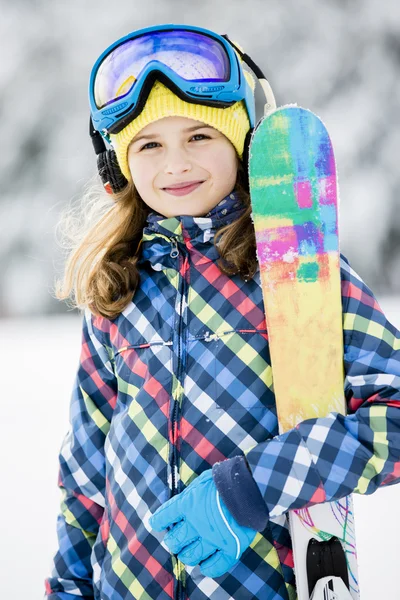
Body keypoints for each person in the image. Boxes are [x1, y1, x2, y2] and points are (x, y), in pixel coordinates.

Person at [44, 24, 400, 600]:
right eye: (149, 145)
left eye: (200, 136)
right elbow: (86, 471)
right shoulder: (120, 288)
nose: (176, 164)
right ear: (120, 168)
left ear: (243, 141)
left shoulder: (296, 270)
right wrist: (68, 584)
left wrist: (252, 487)